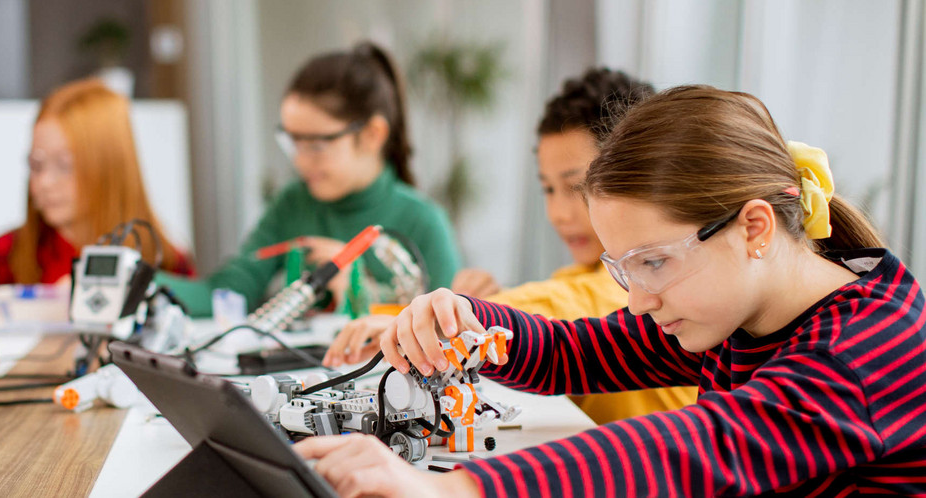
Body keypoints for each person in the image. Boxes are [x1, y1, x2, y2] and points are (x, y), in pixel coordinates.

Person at [295, 85, 925, 496]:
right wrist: (469, 323)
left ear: (754, 227)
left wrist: (454, 490)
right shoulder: (742, 308)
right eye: (624, 268)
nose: (637, 298)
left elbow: (697, 449)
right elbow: (582, 349)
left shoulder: (869, 348)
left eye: (653, 261)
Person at [325, 68, 697, 425]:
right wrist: (472, 310)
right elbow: (562, 335)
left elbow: (571, 305)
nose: (558, 213)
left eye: (576, 188)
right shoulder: (583, 274)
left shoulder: (639, 286)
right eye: (547, 189)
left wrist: (453, 320)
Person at [157, 41, 461, 316]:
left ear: (372, 135)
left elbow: (447, 329)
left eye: (316, 145)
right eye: (293, 142)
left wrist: (361, 289)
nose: (300, 161)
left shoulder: (424, 222)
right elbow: (229, 291)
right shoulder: (293, 204)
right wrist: (135, 280)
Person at [0, 79, 194, 323]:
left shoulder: (167, 263)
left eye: (64, 166)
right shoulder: (5, 255)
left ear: (110, 169)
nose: (44, 182)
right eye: (36, 165)